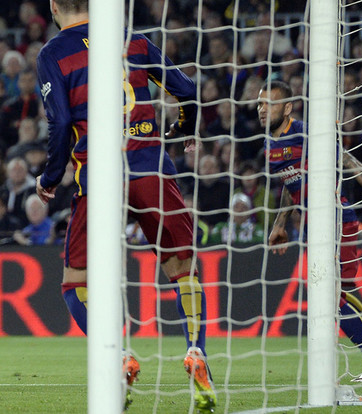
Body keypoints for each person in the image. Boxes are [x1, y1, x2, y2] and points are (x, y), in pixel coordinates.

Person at [34, 0, 216, 411]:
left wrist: (50, 177)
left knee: (74, 283)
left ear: (53, 6)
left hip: (100, 177)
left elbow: (61, 122)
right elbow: (186, 90)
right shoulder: (131, 39)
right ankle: (195, 353)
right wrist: (186, 126)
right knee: (182, 270)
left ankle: (118, 358)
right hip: (152, 169)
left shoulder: (54, 54)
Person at [259, 80, 362, 382]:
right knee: (338, 292)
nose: (262, 110)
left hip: (336, 219)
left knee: (328, 295)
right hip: (315, 224)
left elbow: (350, 163)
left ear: (288, 108)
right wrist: (280, 223)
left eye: (270, 103)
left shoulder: (304, 133)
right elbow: (291, 182)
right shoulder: (270, 144)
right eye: (260, 104)